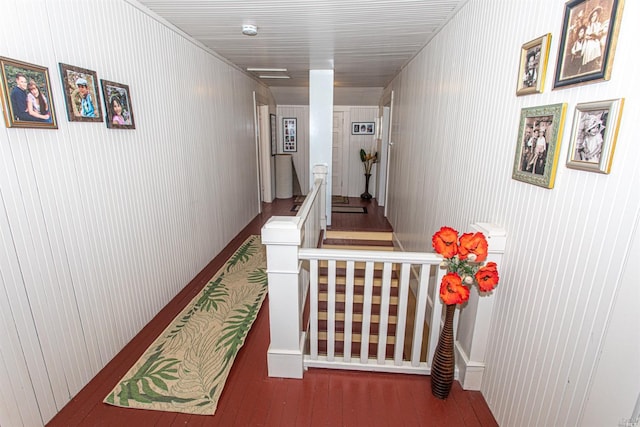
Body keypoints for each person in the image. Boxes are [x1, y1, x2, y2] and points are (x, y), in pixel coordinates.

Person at [582, 6, 609, 72]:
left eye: (595, 16)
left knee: (594, 55)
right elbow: (585, 35)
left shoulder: (598, 24)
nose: (593, 17)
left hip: (595, 43)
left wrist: (595, 35)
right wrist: (588, 36)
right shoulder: (589, 26)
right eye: (593, 16)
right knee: (588, 58)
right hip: (588, 44)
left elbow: (599, 34)